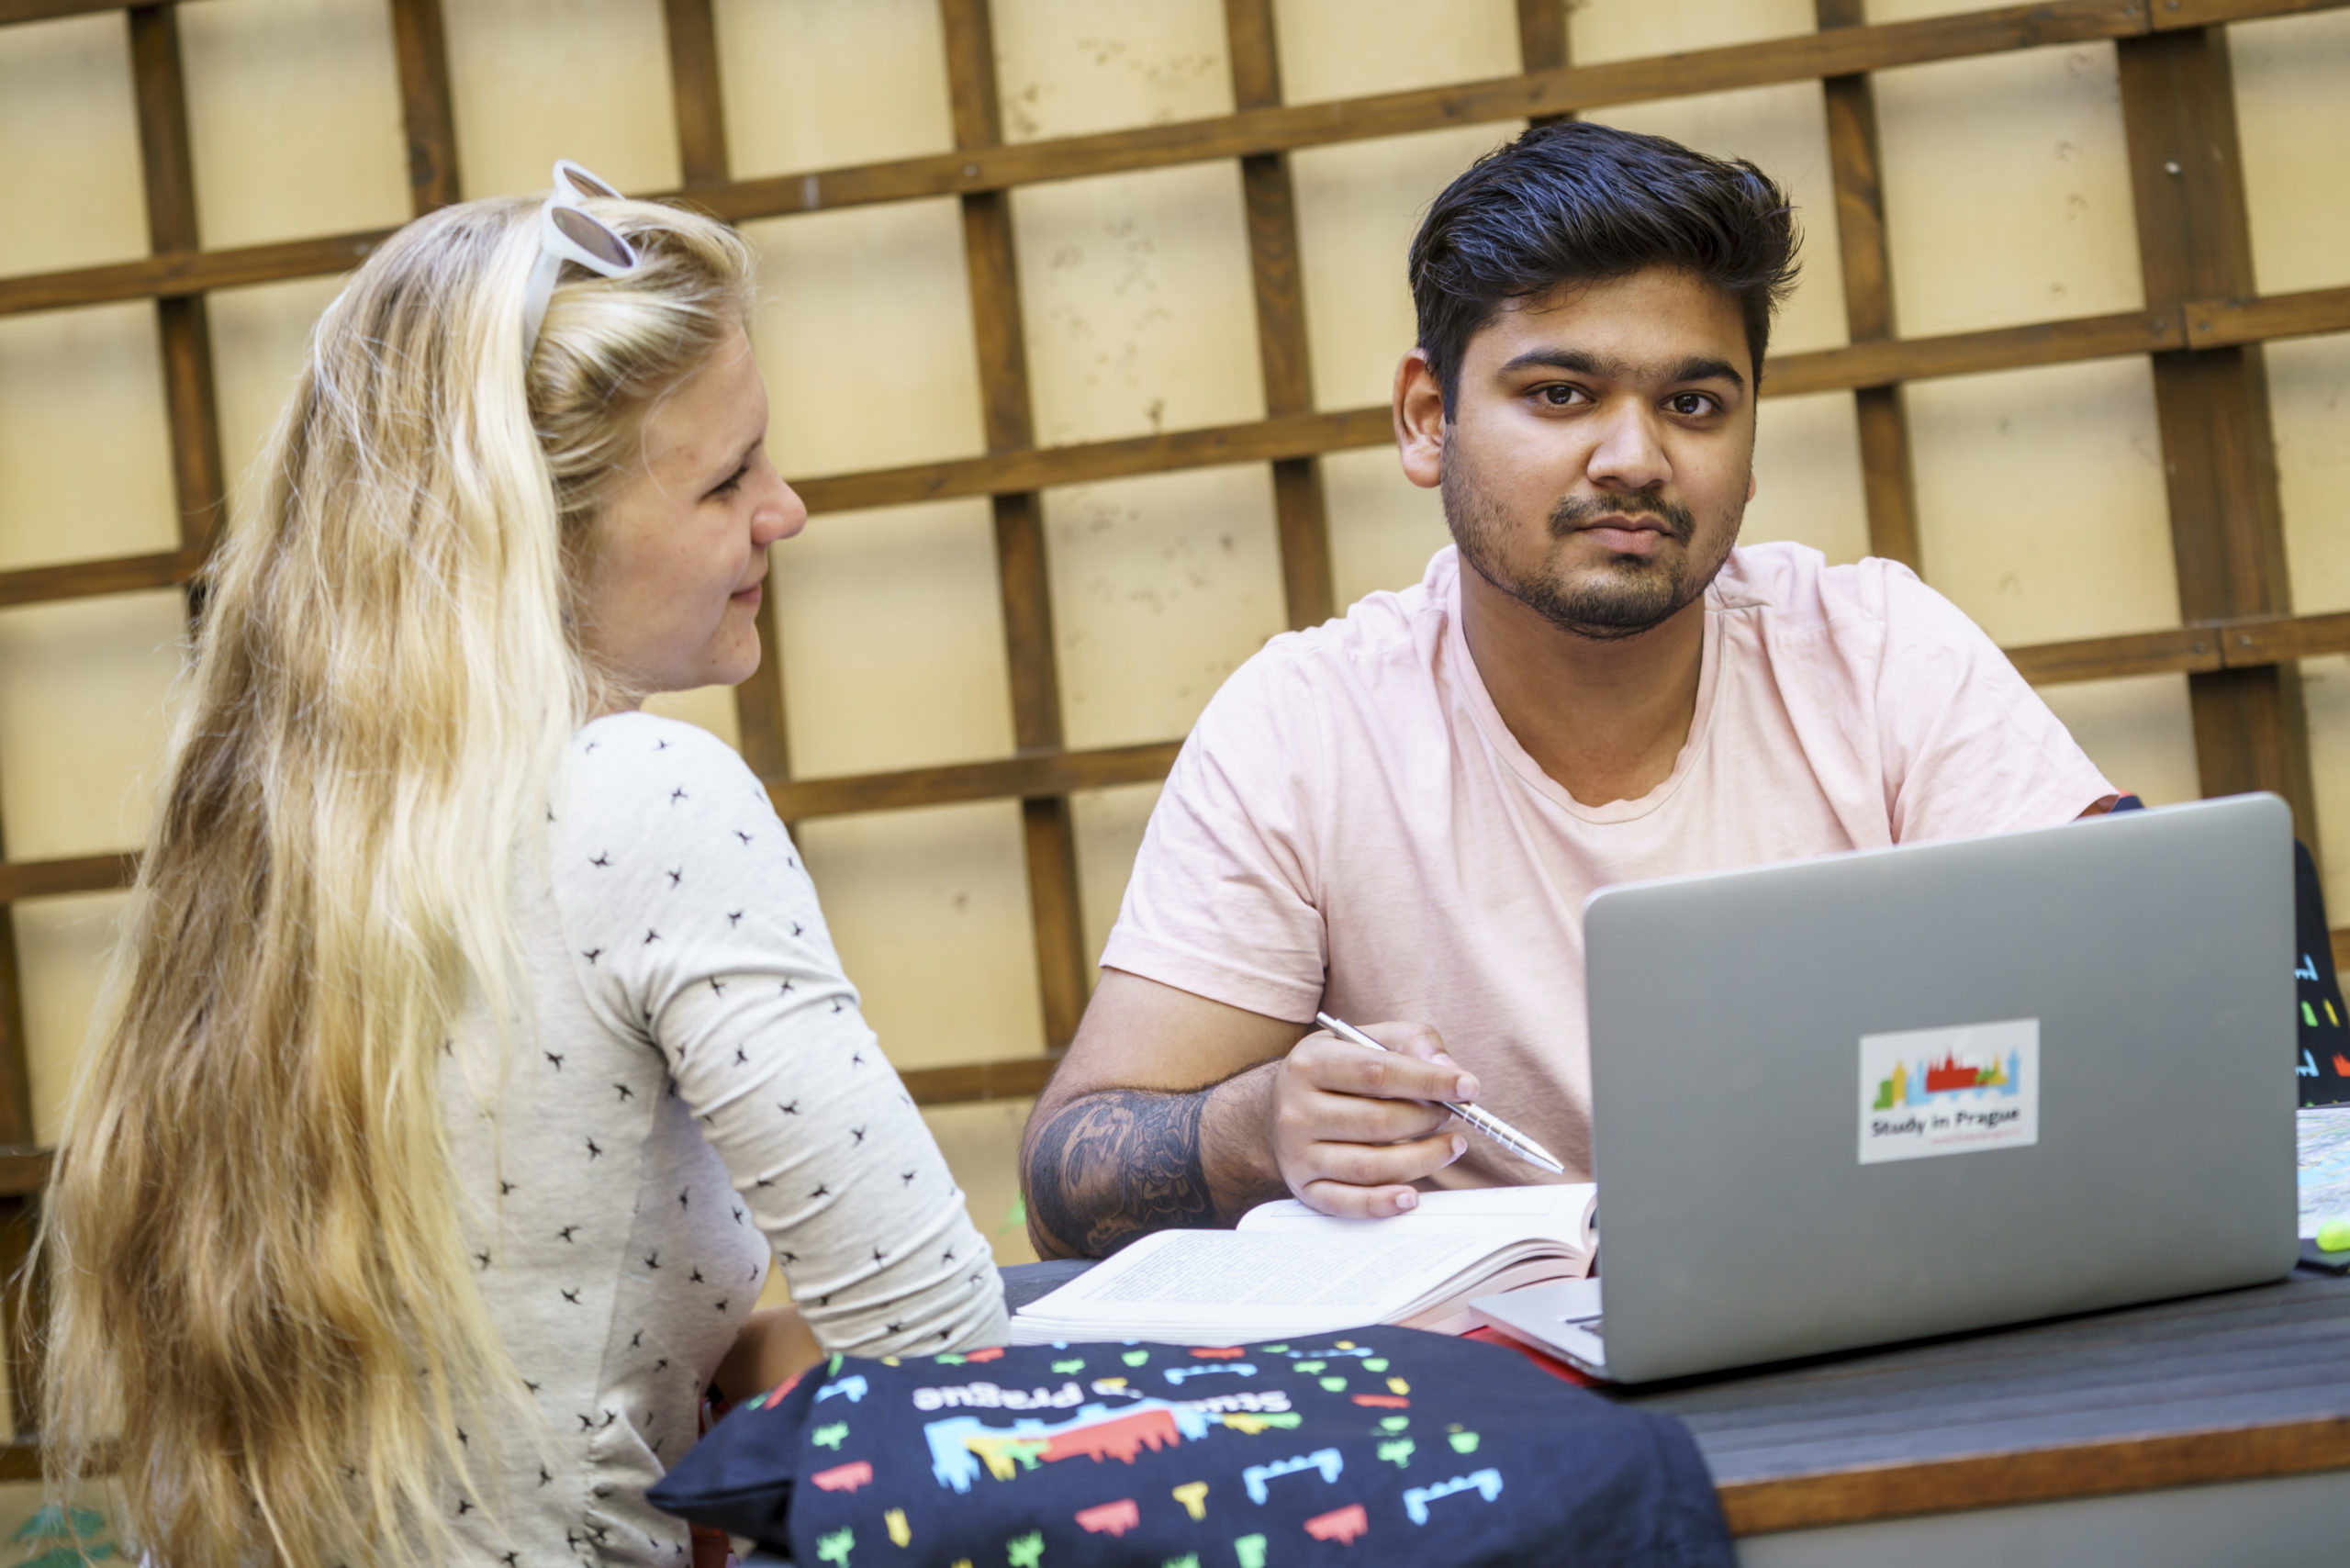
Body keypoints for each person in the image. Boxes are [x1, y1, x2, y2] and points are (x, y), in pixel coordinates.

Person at [38, 166, 1006, 1568]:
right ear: (533, 536)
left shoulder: (267, 830)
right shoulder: (642, 794)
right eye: (726, 478)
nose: (785, 510)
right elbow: (938, 1349)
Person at [1020, 120, 2118, 1260]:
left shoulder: (1877, 655)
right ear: (1428, 418)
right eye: (1559, 394)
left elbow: (2139, 1001)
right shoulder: (1306, 725)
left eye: (1694, 405)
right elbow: (1062, 1185)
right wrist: (1255, 1128)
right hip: (1477, 1352)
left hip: (1878, 1296)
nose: (1634, 458)